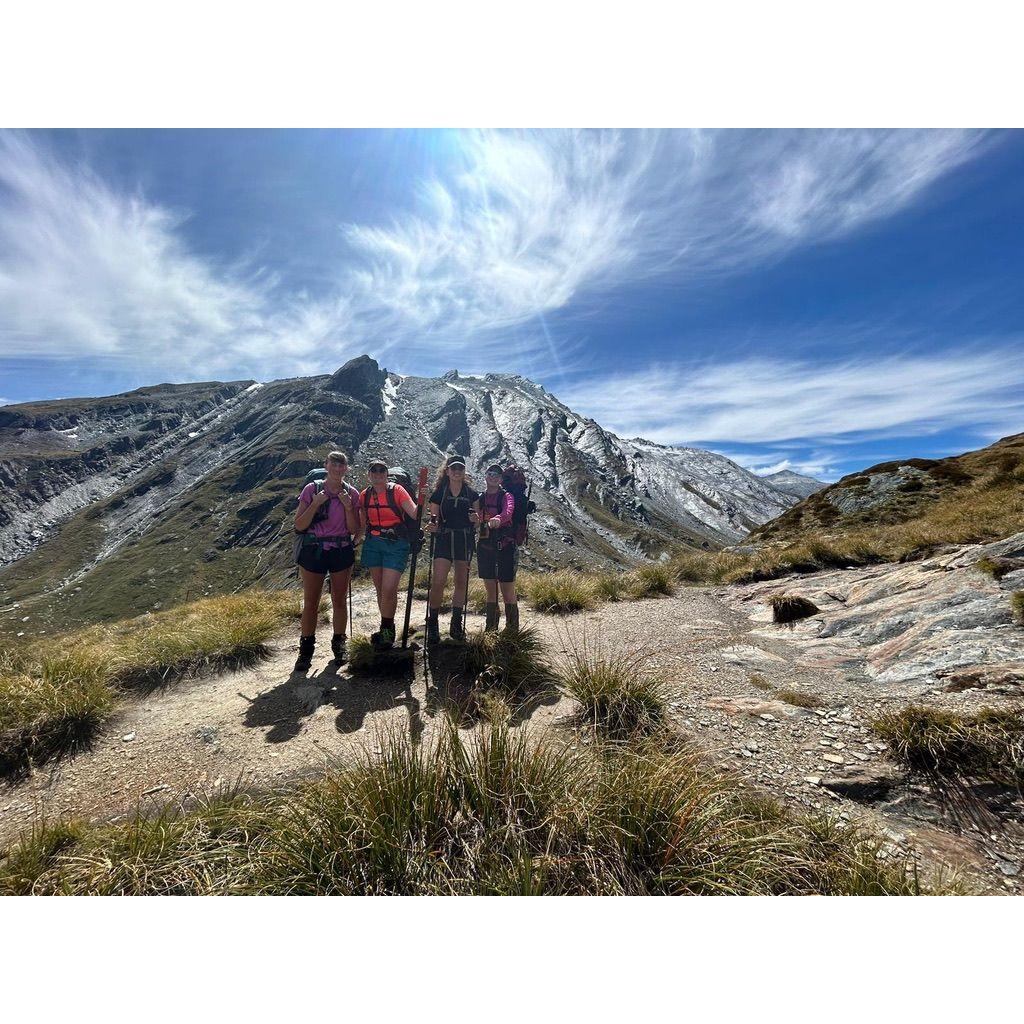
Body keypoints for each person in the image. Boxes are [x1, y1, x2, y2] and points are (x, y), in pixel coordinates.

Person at [293, 450, 361, 671]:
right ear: (326, 465)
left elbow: (354, 528)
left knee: (339, 600)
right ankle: (306, 650)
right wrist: (315, 504)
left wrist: (348, 507)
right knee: (311, 602)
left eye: (342, 465)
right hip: (314, 550)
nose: (338, 468)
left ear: (346, 468)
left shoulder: (351, 493)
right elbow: (299, 525)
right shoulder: (311, 490)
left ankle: (339, 644)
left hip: (340, 549)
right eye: (334, 464)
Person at [359, 459, 419, 649]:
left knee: (388, 589)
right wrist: (353, 540)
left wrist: (423, 498)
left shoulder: (397, 491)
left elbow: (415, 513)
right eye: (374, 471)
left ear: (387, 474)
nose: (378, 474)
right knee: (380, 590)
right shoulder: (364, 496)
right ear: (369, 475)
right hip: (373, 543)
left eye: (382, 470)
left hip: (395, 544)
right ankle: (387, 628)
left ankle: (386, 633)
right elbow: (361, 523)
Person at [425, 454, 480, 642]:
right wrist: (433, 526)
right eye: (453, 468)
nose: (457, 471)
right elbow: (434, 519)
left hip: (463, 540)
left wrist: (476, 520)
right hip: (444, 538)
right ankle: (433, 623)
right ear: (447, 471)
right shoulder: (439, 493)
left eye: (460, 468)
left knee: (461, 582)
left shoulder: (472, 494)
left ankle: (456, 623)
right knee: (438, 581)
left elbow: (477, 520)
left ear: (464, 471)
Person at [476, 463, 519, 632]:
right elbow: (475, 515)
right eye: (490, 473)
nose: (493, 477)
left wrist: (498, 519)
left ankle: (512, 631)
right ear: (485, 476)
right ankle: (491, 628)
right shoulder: (480, 498)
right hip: (486, 546)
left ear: (501, 479)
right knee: (491, 590)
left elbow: (508, 512)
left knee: (507, 590)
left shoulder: (507, 496)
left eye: (497, 475)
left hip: (505, 547)